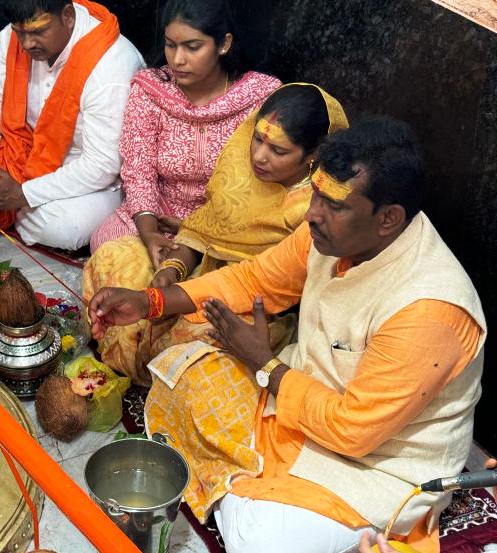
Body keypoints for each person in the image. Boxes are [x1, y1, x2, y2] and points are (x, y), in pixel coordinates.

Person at [89, 118, 486, 552]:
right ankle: (247, 486)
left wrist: (266, 364)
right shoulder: (327, 236)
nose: (312, 214)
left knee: (261, 542)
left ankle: (248, 492)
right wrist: (150, 301)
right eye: (315, 194)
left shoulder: (429, 309)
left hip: (374, 464)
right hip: (296, 402)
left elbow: (353, 432)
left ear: (388, 219)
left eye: (333, 205)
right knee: (178, 372)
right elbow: (254, 279)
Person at [83, 83, 348, 386]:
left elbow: (263, 282)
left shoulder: (315, 210)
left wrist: (162, 298)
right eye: (257, 139)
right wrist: (173, 268)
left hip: (259, 303)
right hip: (203, 272)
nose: (259, 156)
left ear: (313, 155)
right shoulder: (240, 172)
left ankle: (150, 374)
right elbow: (205, 231)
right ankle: (137, 363)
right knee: (113, 257)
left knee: (194, 338)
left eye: (278, 150)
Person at [0, 0, 144, 266]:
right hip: (19, 148)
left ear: (68, 16)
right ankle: (8, 206)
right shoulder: (11, 39)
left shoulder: (110, 67)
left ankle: (11, 208)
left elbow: (102, 164)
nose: (26, 44)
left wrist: (24, 194)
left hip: (90, 172)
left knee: (64, 228)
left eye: (38, 32)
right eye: (20, 33)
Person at [89, 0, 281, 253]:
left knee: (259, 257)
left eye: (192, 47)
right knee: (108, 244)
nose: (178, 59)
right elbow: (139, 171)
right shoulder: (150, 91)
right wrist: (149, 232)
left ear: (224, 44)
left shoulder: (257, 97)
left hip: (229, 220)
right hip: (159, 215)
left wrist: (200, 230)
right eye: (170, 45)